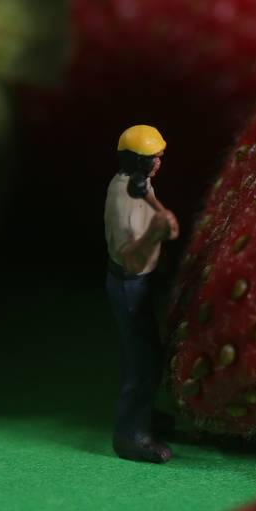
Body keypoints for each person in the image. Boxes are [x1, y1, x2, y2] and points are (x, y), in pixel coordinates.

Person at [104, 125, 180, 463]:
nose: (159, 163)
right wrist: (155, 234)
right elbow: (128, 257)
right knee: (142, 365)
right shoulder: (121, 204)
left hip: (143, 280)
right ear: (137, 161)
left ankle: (145, 416)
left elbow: (150, 200)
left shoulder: (139, 183)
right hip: (129, 284)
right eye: (154, 158)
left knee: (153, 354)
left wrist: (161, 214)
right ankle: (129, 435)